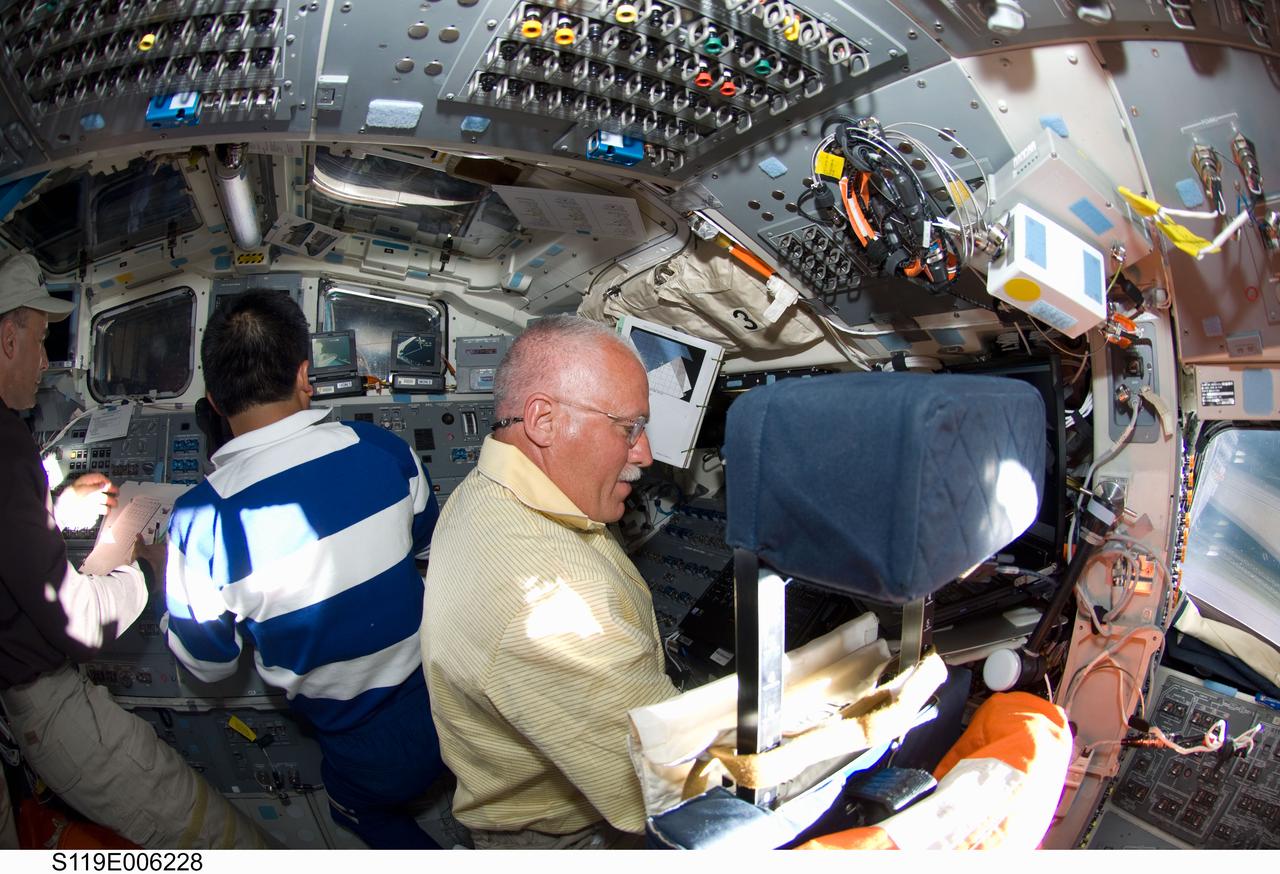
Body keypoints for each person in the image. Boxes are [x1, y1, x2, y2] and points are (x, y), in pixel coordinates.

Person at [0, 252, 269, 849]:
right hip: (43, 698)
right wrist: (145, 571)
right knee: (211, 833)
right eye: (42, 342)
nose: (46, 363)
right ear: (6, 336)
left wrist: (59, 506)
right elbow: (82, 624)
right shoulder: (6, 448)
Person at [164, 289, 445, 849]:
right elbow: (424, 545)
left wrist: (160, 566)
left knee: (352, 807)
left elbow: (210, 666)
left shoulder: (199, 519)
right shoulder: (385, 450)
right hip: (449, 708)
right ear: (303, 376)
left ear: (215, 404)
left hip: (361, 749)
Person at [422, 315, 679, 849]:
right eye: (628, 427)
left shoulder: (493, 487)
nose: (644, 454)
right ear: (543, 420)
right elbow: (673, 784)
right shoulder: (555, 606)